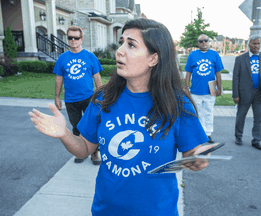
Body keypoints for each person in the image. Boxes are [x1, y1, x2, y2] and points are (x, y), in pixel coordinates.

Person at [29, 18, 217, 216]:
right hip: (107, 210)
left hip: (157, 211)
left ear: (154, 58)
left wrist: (200, 157)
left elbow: (193, 153)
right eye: (121, 42)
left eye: (131, 45)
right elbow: (83, 150)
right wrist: (64, 133)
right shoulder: (104, 98)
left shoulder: (177, 103)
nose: (120, 50)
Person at [53, 26, 102, 164]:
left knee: (92, 126)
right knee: (76, 127)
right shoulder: (62, 58)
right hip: (70, 100)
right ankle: (81, 152)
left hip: (89, 98)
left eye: (76, 38)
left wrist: (101, 96)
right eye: (70, 37)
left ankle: (94, 153)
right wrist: (57, 97)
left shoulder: (90, 56)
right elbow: (59, 79)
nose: (73, 40)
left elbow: (97, 78)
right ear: (67, 38)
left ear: (81, 39)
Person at [232, 35, 261, 150]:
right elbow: (235, 77)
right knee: (241, 116)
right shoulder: (240, 59)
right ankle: (238, 136)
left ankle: (256, 140)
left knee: (259, 118)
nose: (256, 46)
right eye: (254, 44)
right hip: (244, 93)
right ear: (249, 44)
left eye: (258, 44)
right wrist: (235, 94)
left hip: (260, 93)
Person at [184, 34, 224, 143]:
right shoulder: (192, 55)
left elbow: (218, 73)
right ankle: (199, 133)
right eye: (200, 41)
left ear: (209, 42)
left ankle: (208, 133)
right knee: (197, 112)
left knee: (208, 111)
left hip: (210, 89)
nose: (203, 43)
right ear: (198, 43)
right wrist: (186, 87)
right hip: (195, 90)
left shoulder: (214, 55)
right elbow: (188, 73)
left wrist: (219, 88)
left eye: (205, 40)